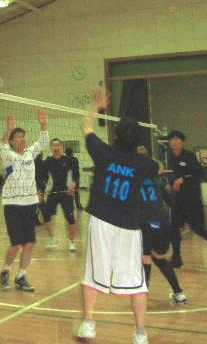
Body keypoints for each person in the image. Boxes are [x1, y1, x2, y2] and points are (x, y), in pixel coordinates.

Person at [76, 90, 158, 344]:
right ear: (138, 142)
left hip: (101, 222)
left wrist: (95, 105)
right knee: (137, 281)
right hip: (129, 228)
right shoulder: (145, 164)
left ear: (114, 136)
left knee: (92, 274)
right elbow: (156, 167)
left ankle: (89, 323)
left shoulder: (103, 152)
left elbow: (86, 127)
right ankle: (140, 333)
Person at [0, 110, 49, 292]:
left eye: (22, 136)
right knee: (16, 243)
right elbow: (2, 145)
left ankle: (21, 277)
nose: (21, 139)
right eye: (17, 137)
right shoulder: (8, 156)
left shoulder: (29, 153)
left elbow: (43, 141)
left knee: (30, 243)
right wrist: (8, 130)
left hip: (30, 204)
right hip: (12, 204)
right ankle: (5, 271)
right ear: (11, 142)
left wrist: (43, 124)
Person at [167, 131, 207, 268]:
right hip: (178, 200)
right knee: (173, 228)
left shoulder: (189, 156)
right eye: (171, 140)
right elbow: (173, 176)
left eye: (176, 139)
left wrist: (184, 179)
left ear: (182, 142)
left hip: (191, 200)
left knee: (198, 229)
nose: (173, 142)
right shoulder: (170, 158)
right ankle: (176, 258)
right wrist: (170, 184)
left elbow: (199, 173)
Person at [136, 145, 186, 305]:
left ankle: (143, 294)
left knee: (146, 258)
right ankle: (179, 293)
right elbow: (170, 202)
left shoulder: (133, 182)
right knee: (160, 258)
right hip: (163, 223)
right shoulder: (158, 182)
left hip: (145, 223)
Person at [38, 138, 77, 251]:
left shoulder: (69, 160)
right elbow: (42, 177)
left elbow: (76, 175)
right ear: (51, 147)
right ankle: (52, 238)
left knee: (70, 217)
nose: (56, 147)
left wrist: (73, 185)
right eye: (54, 145)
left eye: (58, 145)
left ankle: (71, 242)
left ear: (62, 147)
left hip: (66, 193)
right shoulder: (47, 161)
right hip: (53, 192)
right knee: (46, 215)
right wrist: (40, 191)